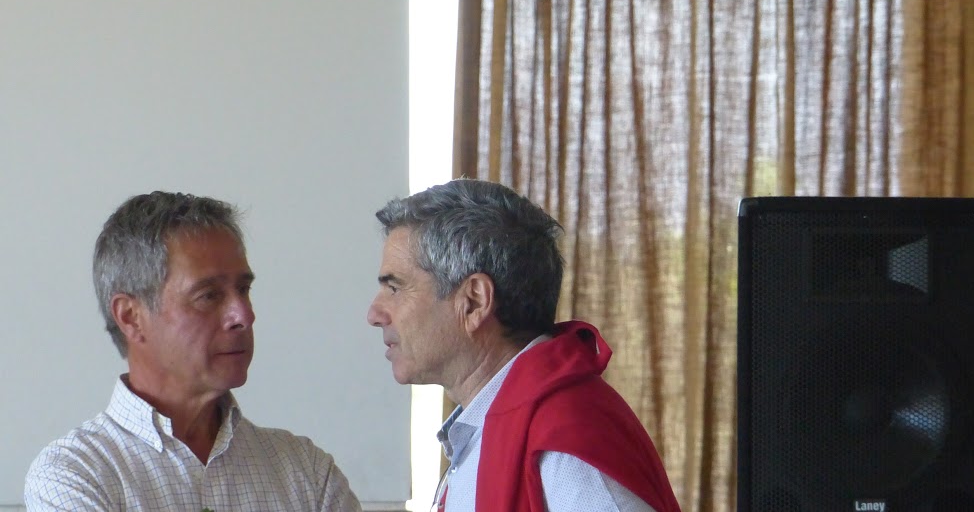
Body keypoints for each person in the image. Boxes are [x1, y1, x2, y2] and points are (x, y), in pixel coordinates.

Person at [25, 191, 361, 511]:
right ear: (131, 317)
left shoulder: (306, 472)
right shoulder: (73, 475)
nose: (244, 316)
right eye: (209, 296)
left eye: (244, 289)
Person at [367, 178, 681, 512]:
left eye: (395, 288)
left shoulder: (562, 439)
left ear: (474, 302)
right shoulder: (494, 425)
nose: (374, 314)